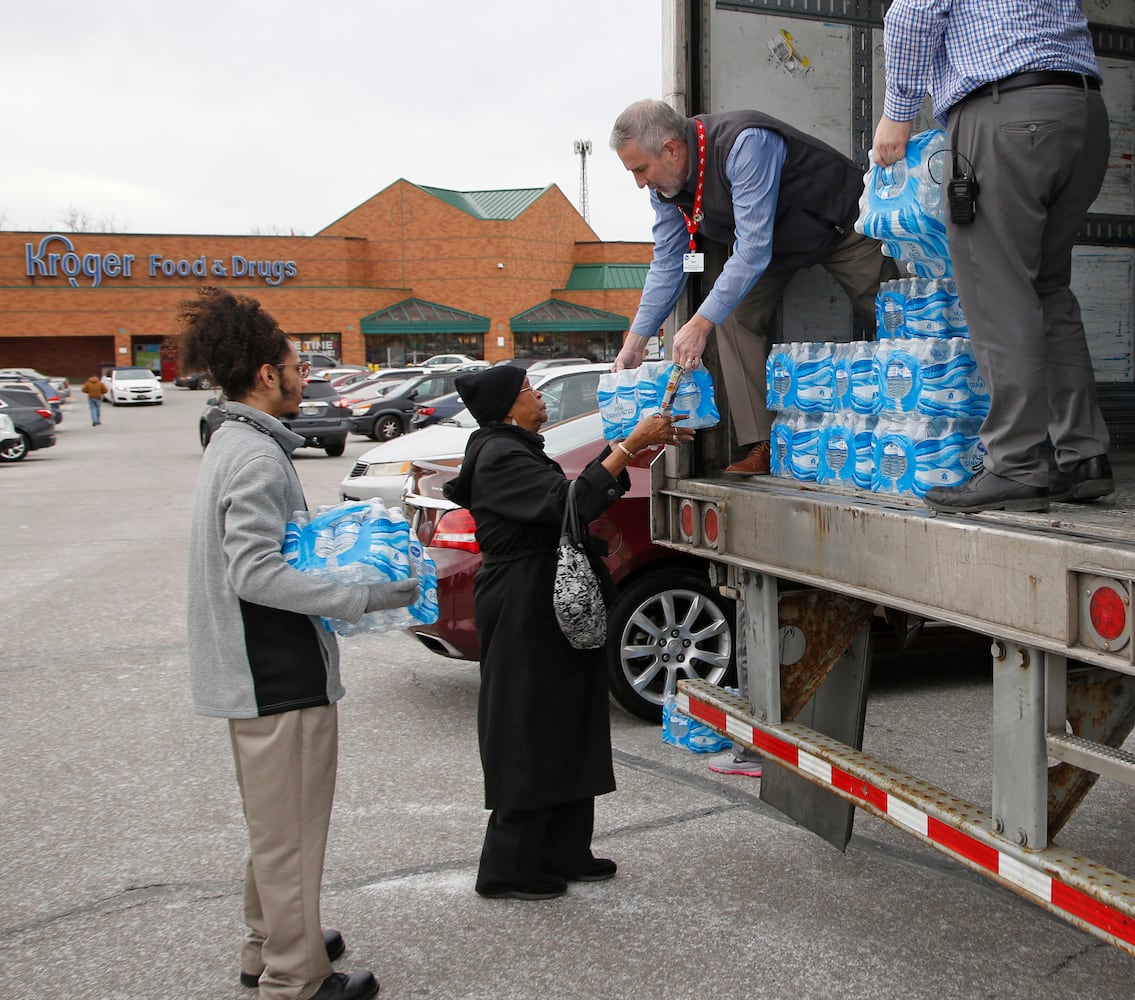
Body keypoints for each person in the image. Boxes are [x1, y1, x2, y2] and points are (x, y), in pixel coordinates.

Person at [182, 285, 417, 1000]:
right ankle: (296, 977)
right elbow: (253, 571)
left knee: (273, 823)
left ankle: (270, 943)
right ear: (264, 376)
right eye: (293, 365)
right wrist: (361, 595)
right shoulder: (253, 455)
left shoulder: (232, 440)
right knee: (291, 831)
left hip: (258, 669)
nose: (303, 375)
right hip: (274, 672)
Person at [443, 364, 692, 900]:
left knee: (571, 716)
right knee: (529, 724)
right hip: (523, 606)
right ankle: (509, 865)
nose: (538, 396)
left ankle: (564, 848)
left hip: (550, 603)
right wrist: (629, 445)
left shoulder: (519, 445)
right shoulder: (498, 454)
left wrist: (636, 445)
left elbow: (581, 495)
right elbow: (569, 505)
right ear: (509, 405)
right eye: (529, 390)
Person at [873, 0, 1113, 514]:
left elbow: (914, 12)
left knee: (999, 293)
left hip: (1008, 113)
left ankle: (1015, 465)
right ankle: (1083, 455)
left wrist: (897, 114)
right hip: (1082, 114)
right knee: (1048, 287)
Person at [609, 98, 899, 475]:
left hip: (839, 226)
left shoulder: (743, 143)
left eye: (641, 169)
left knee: (895, 312)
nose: (639, 182)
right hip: (774, 247)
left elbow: (752, 248)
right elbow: (667, 264)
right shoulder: (664, 189)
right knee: (727, 314)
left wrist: (699, 324)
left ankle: (917, 418)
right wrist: (635, 344)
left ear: (670, 149)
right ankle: (765, 444)